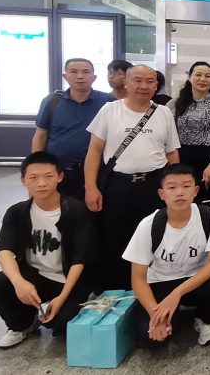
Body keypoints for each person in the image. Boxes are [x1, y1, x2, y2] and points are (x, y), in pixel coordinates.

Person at [84, 65, 181, 292]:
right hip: (117, 186)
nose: (143, 86)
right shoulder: (110, 110)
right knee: (114, 239)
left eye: (150, 81)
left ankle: (151, 290)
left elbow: (172, 154)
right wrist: (90, 187)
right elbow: (94, 152)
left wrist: (175, 188)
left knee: (153, 237)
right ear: (126, 83)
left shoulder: (163, 113)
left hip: (154, 186)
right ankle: (116, 292)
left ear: (156, 86)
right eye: (137, 80)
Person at [0, 152, 96, 348]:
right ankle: (22, 325)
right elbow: (4, 251)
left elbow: (79, 260)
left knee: (60, 325)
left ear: (60, 177)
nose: (41, 183)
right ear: (23, 180)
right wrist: (19, 282)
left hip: (67, 280)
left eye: (48, 176)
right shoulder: (17, 212)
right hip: (35, 276)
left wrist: (62, 298)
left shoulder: (77, 211)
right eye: (33, 178)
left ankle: (61, 309)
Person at [122, 163, 210, 347]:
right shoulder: (148, 224)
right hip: (160, 283)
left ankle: (205, 319)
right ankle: (171, 317)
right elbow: (138, 279)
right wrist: (155, 315)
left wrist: (177, 293)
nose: (180, 193)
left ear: (196, 190)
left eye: (186, 186)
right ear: (161, 194)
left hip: (195, 282)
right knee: (151, 340)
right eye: (172, 187)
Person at [32, 58, 115, 200]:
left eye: (86, 72)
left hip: (98, 171)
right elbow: (40, 136)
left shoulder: (109, 101)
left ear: (94, 77)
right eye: (73, 72)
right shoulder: (52, 101)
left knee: (94, 210)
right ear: (65, 76)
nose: (80, 76)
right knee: (58, 210)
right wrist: (36, 169)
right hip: (58, 171)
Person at [167, 62, 210, 202]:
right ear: (189, 77)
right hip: (180, 159)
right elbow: (167, 137)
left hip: (209, 160)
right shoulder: (173, 104)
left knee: (207, 202)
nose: (203, 79)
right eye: (198, 75)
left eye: (207, 76)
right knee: (181, 199)